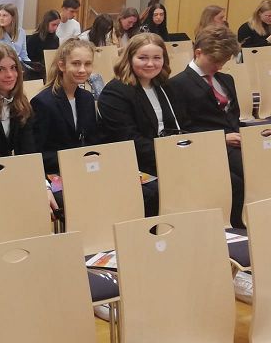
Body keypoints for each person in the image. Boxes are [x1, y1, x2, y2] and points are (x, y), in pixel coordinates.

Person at [97, 33, 183, 215]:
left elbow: (180, 124)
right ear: (129, 59)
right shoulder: (116, 92)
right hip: (136, 162)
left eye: (157, 58)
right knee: (166, 189)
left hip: (167, 155)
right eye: (143, 58)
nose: (150, 64)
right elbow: (129, 140)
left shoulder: (164, 86)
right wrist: (170, 156)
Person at [167, 26, 244, 227]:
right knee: (247, 173)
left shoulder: (226, 79)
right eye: (215, 61)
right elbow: (182, 128)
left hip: (236, 142)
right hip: (207, 147)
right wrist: (220, 138)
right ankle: (240, 225)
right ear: (198, 52)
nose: (220, 66)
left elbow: (234, 118)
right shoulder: (178, 84)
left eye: (224, 61)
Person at [31, 39, 102, 176]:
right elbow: (37, 154)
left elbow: (92, 140)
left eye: (87, 64)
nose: (82, 70)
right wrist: (75, 158)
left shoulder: (87, 98)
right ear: (62, 66)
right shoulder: (43, 102)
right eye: (76, 64)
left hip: (85, 169)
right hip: (56, 172)